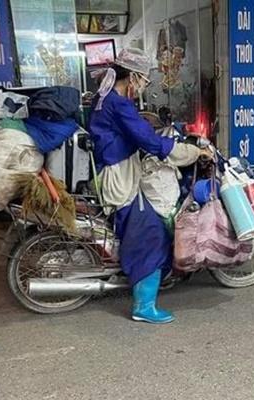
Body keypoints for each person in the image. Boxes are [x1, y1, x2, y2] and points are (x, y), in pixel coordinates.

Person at [88, 48, 205, 324]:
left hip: (113, 169)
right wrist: (191, 152)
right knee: (150, 232)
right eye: (143, 81)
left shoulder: (104, 98)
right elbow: (150, 142)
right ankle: (144, 306)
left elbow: (135, 131)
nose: (142, 87)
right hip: (119, 177)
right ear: (133, 77)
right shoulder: (119, 103)